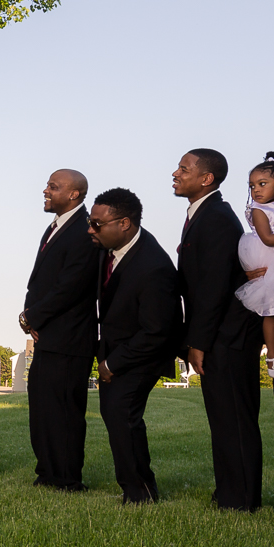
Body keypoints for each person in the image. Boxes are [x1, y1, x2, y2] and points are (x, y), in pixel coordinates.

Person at [172, 149, 263, 512]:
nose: (175, 173)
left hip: (228, 337)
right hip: (219, 335)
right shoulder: (202, 214)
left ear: (206, 178)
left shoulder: (217, 218)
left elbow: (212, 288)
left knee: (234, 420)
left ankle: (240, 499)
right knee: (223, 418)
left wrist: (199, 342)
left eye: (184, 168)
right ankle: (229, 491)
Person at [88, 188, 182, 504]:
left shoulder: (153, 267)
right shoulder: (110, 249)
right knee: (117, 415)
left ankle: (139, 492)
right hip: (119, 350)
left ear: (124, 223)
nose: (91, 229)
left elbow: (157, 332)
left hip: (142, 354)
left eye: (97, 224)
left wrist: (113, 364)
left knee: (121, 413)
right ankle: (138, 487)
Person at [19, 169, 99, 491]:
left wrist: (31, 317)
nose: (45, 190)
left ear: (74, 195)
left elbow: (72, 286)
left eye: (53, 186)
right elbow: (41, 281)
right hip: (49, 336)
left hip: (70, 337)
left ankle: (66, 479)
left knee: (63, 411)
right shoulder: (54, 228)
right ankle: (47, 473)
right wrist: (31, 315)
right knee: (42, 409)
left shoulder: (84, 231)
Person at [235, 153, 274, 378]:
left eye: (262, 184)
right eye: (252, 186)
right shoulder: (259, 210)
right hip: (271, 255)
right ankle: (272, 354)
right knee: (272, 307)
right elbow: (268, 239)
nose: (256, 190)